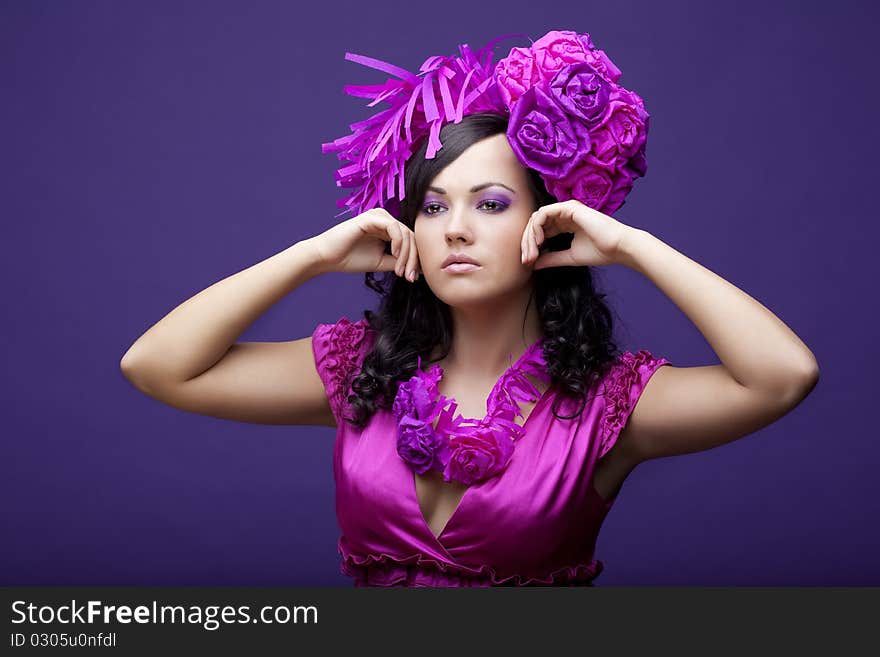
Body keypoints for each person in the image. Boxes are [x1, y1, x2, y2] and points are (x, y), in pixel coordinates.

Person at [120, 31, 819, 587]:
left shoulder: (606, 404)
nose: (455, 228)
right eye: (431, 206)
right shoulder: (362, 370)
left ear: (549, 221)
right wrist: (311, 255)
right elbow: (157, 366)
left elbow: (783, 375)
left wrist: (631, 247)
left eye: (490, 204)